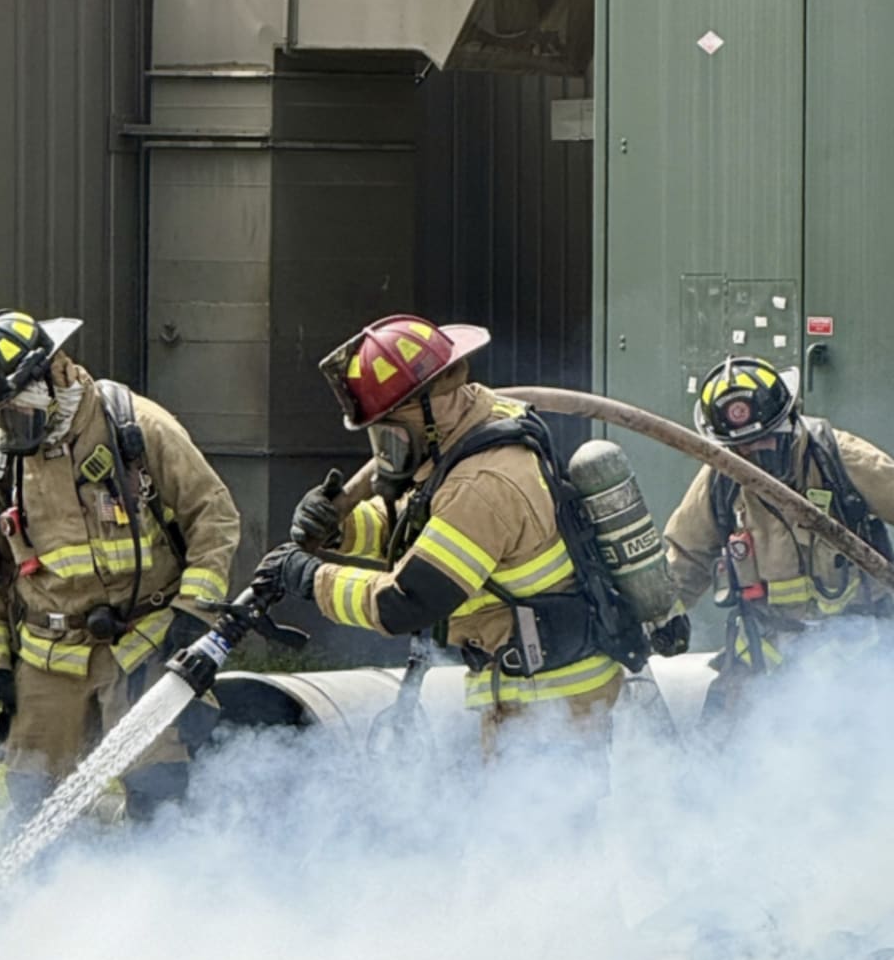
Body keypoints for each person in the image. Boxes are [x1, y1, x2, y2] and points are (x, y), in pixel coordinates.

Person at [255, 315, 625, 754]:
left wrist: (310, 579)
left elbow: (406, 602)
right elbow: (422, 527)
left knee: (539, 824)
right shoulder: (472, 429)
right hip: (533, 687)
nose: (386, 451)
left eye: (391, 432)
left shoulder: (481, 484)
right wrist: (342, 530)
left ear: (429, 408)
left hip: (551, 706)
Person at [0, 308, 240, 823]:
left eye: (14, 411)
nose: (5, 427)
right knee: (34, 799)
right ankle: (59, 900)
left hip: (144, 643)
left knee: (161, 793)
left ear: (51, 378)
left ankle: (167, 897)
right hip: (50, 656)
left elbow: (213, 519)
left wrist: (194, 617)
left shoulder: (136, 427)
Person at [658, 353, 894, 713]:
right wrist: (659, 618)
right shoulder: (721, 480)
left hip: (858, 656)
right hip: (764, 653)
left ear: (789, 422)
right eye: (740, 449)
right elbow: (685, 558)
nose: (752, 458)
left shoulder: (837, 458)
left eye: (764, 443)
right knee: (719, 741)